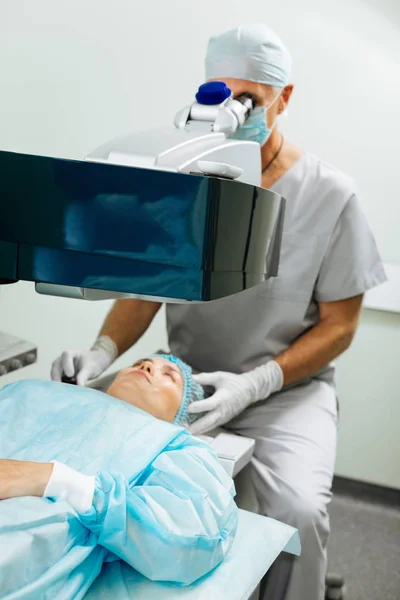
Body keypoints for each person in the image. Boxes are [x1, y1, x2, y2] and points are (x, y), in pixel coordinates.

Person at [51, 23, 387, 600]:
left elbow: (341, 326)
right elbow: (147, 287)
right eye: (220, 92)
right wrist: (102, 354)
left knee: (297, 512)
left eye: (250, 98)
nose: (234, 109)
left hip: (286, 393)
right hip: (181, 376)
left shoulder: (331, 194)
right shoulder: (188, 180)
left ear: (285, 97)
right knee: (95, 469)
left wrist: (255, 384)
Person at [0, 355, 237, 599]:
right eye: (139, 363)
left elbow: (190, 537)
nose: (146, 366)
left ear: (186, 414)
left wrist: (57, 480)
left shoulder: (175, 446)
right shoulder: (32, 390)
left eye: (169, 375)